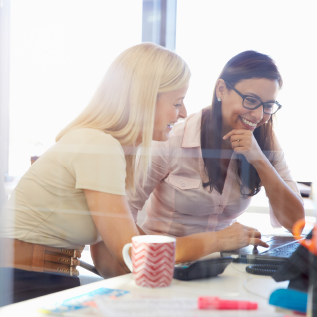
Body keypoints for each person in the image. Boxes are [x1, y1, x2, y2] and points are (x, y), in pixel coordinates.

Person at [0, 42, 190, 304]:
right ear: (145, 100)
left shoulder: (108, 149)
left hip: (46, 281)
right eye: (177, 102)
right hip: (22, 285)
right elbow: (132, 252)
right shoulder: (99, 146)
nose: (183, 113)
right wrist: (216, 243)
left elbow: (108, 261)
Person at [128, 50, 305, 261]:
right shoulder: (173, 139)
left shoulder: (265, 143)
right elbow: (123, 212)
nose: (258, 115)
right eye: (250, 100)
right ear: (221, 89)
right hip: (168, 262)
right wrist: (146, 258)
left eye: (268, 106)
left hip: (221, 267)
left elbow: (295, 223)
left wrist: (259, 161)